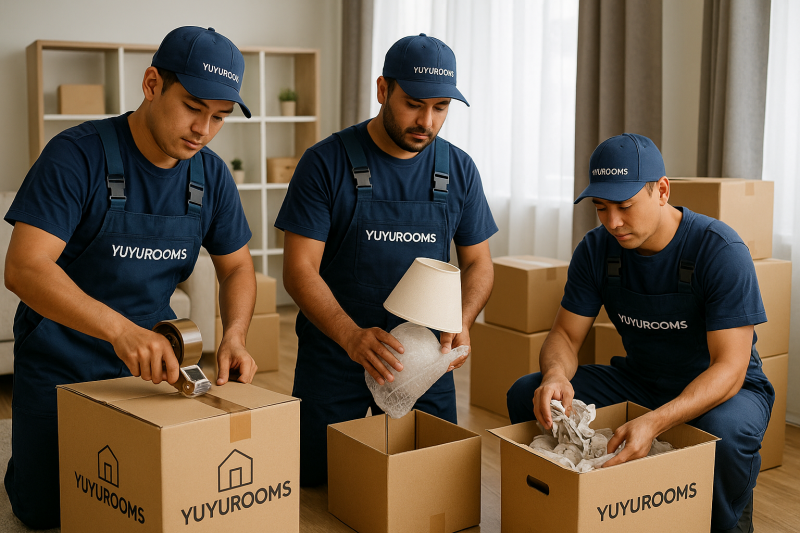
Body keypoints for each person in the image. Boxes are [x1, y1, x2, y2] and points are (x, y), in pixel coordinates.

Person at [3, 26, 259, 528]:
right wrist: (119, 330)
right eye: (192, 107)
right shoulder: (76, 155)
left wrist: (235, 335)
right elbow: (24, 268)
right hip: (63, 358)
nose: (203, 130)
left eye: (220, 118)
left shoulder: (210, 177)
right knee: (43, 511)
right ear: (151, 84)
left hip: (152, 365)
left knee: (151, 499)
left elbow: (238, 266)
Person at [507, 133, 774, 533]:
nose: (612, 222)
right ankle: (590, 511)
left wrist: (654, 422)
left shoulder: (719, 251)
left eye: (625, 206)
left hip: (725, 389)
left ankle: (728, 520)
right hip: (641, 379)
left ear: (662, 190)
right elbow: (564, 334)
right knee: (526, 393)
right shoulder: (596, 250)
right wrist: (555, 376)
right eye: (601, 207)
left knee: (726, 434)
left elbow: (730, 369)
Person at [276, 33, 497, 486]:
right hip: (335, 354)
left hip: (423, 361)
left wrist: (464, 317)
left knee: (433, 486)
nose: (427, 120)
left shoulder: (458, 170)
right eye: (414, 103)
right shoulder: (326, 163)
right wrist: (352, 337)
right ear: (382, 90)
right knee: (319, 485)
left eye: (441, 107)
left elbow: (479, 264)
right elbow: (299, 271)